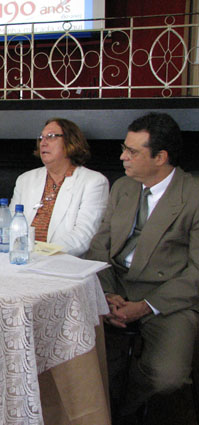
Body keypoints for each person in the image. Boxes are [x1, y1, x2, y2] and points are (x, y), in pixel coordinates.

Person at [86, 112, 199, 418]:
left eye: (132, 152)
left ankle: (119, 411)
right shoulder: (123, 187)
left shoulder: (193, 196)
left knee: (167, 376)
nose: (122, 157)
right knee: (71, 352)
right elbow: (100, 246)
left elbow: (196, 273)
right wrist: (106, 294)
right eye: (124, 148)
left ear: (160, 157)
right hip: (115, 285)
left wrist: (146, 306)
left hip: (167, 296)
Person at [10, 118, 109, 257]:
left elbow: (84, 236)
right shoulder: (25, 179)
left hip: (64, 261)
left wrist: (42, 254)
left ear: (70, 141)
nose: (43, 143)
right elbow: (11, 224)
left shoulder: (94, 182)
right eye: (41, 138)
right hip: (22, 257)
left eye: (51, 136)